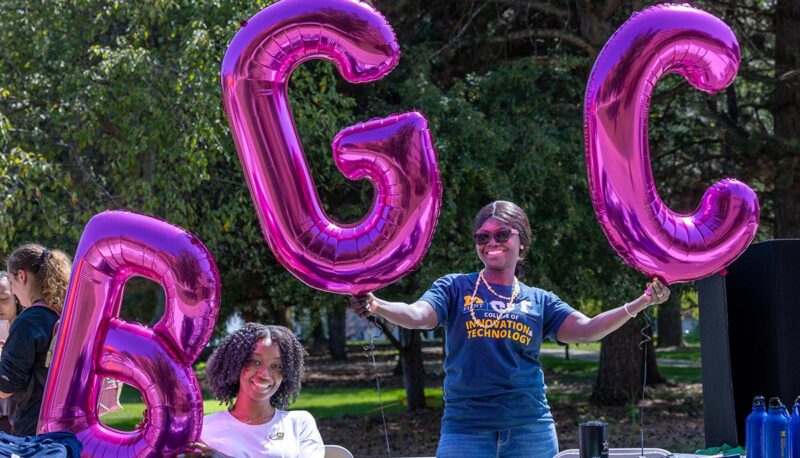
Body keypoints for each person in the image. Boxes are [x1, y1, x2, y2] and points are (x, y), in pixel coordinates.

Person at [350, 200, 670, 458]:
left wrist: (642, 301)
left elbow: (587, 330)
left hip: (530, 430)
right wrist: (378, 306)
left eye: (502, 234)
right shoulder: (454, 288)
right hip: (465, 431)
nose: (492, 242)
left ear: (522, 241)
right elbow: (418, 315)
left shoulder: (539, 300)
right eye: (482, 236)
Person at [189, 323, 324, 458]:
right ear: (235, 365)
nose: (264, 374)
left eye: (276, 366)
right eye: (255, 362)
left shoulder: (299, 423)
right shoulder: (203, 428)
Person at [0, 244, 72, 436]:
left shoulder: (29, 321)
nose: (14, 292)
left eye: (11, 283)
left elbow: (5, 386)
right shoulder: (62, 314)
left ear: (21, 276)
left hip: (32, 432)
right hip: (62, 426)